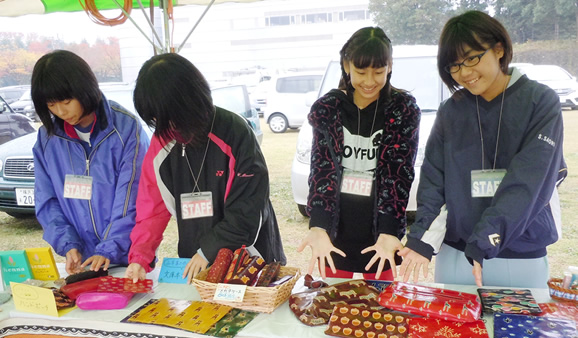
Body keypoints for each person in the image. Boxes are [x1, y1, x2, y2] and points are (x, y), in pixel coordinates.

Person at [399, 11, 566, 288]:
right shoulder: (451, 111)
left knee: (514, 333)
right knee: (451, 332)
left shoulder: (540, 102)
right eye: (454, 66)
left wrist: (486, 239)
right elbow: (434, 180)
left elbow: (528, 183)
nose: (465, 73)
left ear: (499, 49)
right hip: (458, 254)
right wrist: (421, 239)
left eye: (472, 58)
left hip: (520, 255)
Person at [125, 53, 285, 283]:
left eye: (171, 117)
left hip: (249, 257)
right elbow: (151, 209)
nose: (168, 127)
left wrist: (209, 251)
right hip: (196, 261)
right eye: (158, 120)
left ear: (190, 100)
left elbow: (247, 208)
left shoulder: (235, 132)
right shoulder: (162, 144)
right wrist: (139, 257)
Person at [298, 27, 421, 280]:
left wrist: (389, 231)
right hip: (336, 230)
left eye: (378, 71)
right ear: (346, 65)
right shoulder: (328, 109)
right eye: (361, 71)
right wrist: (319, 225)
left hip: (380, 234)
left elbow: (399, 174)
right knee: (334, 306)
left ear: (389, 66)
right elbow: (320, 170)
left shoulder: (402, 109)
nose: (369, 81)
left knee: (379, 308)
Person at [31, 50, 148, 274]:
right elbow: (47, 199)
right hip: (82, 262)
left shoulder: (125, 129)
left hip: (126, 260)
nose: (61, 111)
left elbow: (132, 199)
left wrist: (109, 248)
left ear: (85, 90)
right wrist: (68, 244)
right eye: (51, 105)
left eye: (66, 101)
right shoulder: (47, 139)